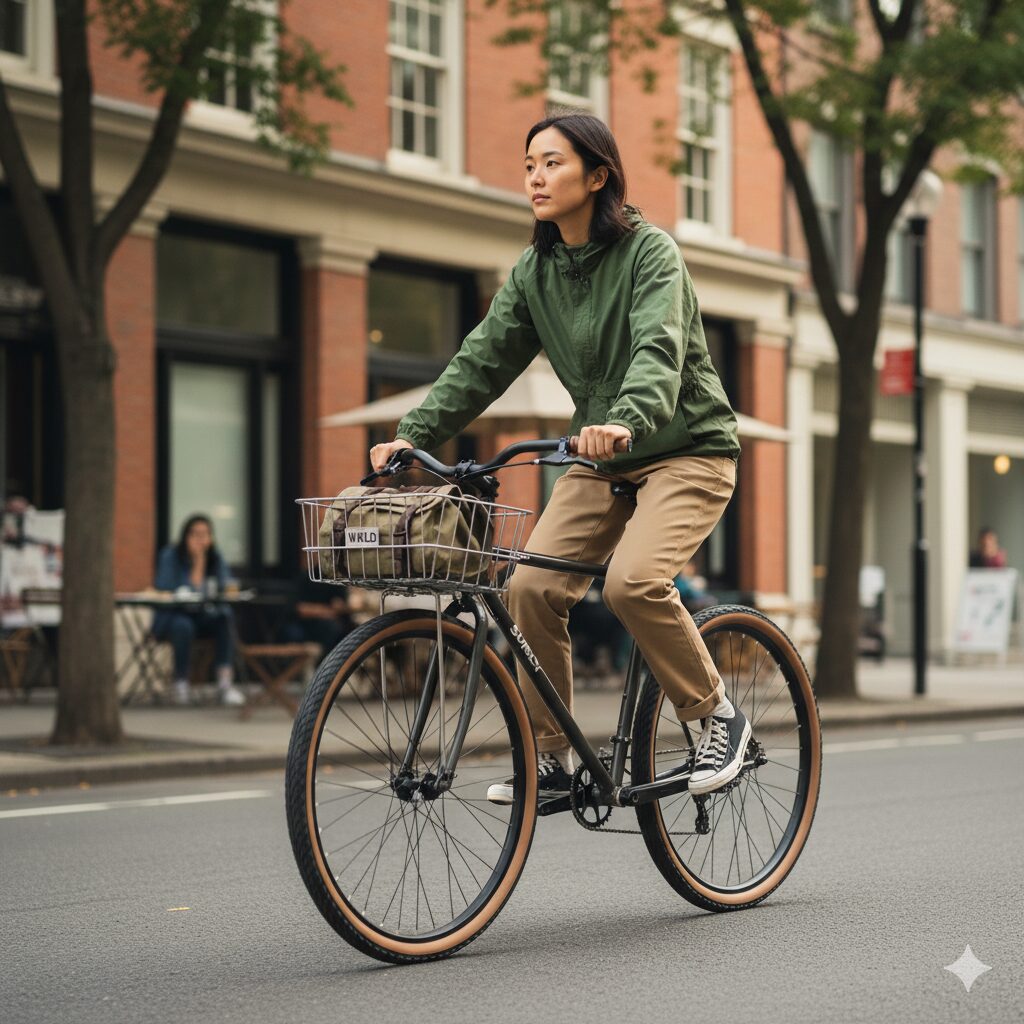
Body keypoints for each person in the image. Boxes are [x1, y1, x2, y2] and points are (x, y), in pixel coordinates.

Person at [370, 114, 745, 808]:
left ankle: (717, 716)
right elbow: (482, 361)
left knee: (632, 584)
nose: (536, 178)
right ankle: (551, 760)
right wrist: (412, 435)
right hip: (601, 460)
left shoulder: (651, 254)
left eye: (552, 163)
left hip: (687, 450)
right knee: (529, 589)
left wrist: (625, 421)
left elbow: (658, 350)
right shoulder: (535, 272)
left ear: (598, 176)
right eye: (528, 165)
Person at [152, 514, 245, 706]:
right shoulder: (171, 556)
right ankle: (181, 683)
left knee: (225, 617)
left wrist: (206, 561)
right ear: (185, 536)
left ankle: (225, 682)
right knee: (183, 626)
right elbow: (165, 587)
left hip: (204, 615)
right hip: (173, 616)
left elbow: (225, 585)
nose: (200, 540)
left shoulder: (215, 557)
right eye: (195, 534)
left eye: (205, 535)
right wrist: (197, 562)